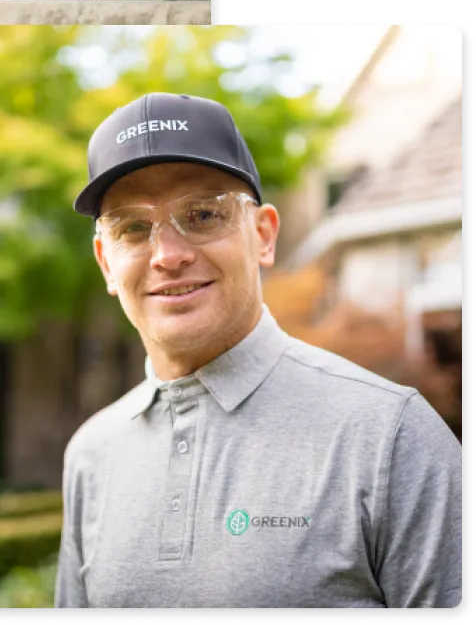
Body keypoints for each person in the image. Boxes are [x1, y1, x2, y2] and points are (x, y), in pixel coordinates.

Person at [54, 92, 462, 609]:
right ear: (107, 262)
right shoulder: (92, 453)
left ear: (263, 235)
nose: (168, 255)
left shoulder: (392, 437)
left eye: (202, 214)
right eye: (132, 228)